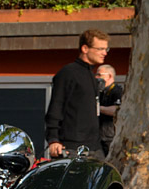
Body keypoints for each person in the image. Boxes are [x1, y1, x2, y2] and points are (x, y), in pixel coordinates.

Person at [45, 29, 109, 158]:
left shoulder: (91, 75)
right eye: (100, 49)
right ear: (85, 48)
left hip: (96, 148)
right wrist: (53, 139)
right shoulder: (68, 72)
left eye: (106, 49)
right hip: (72, 148)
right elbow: (56, 105)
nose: (104, 53)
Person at [96, 63, 123, 156]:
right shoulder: (100, 92)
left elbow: (117, 110)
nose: (97, 77)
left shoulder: (117, 91)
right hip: (98, 137)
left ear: (109, 76)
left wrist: (98, 108)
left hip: (110, 136)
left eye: (99, 75)